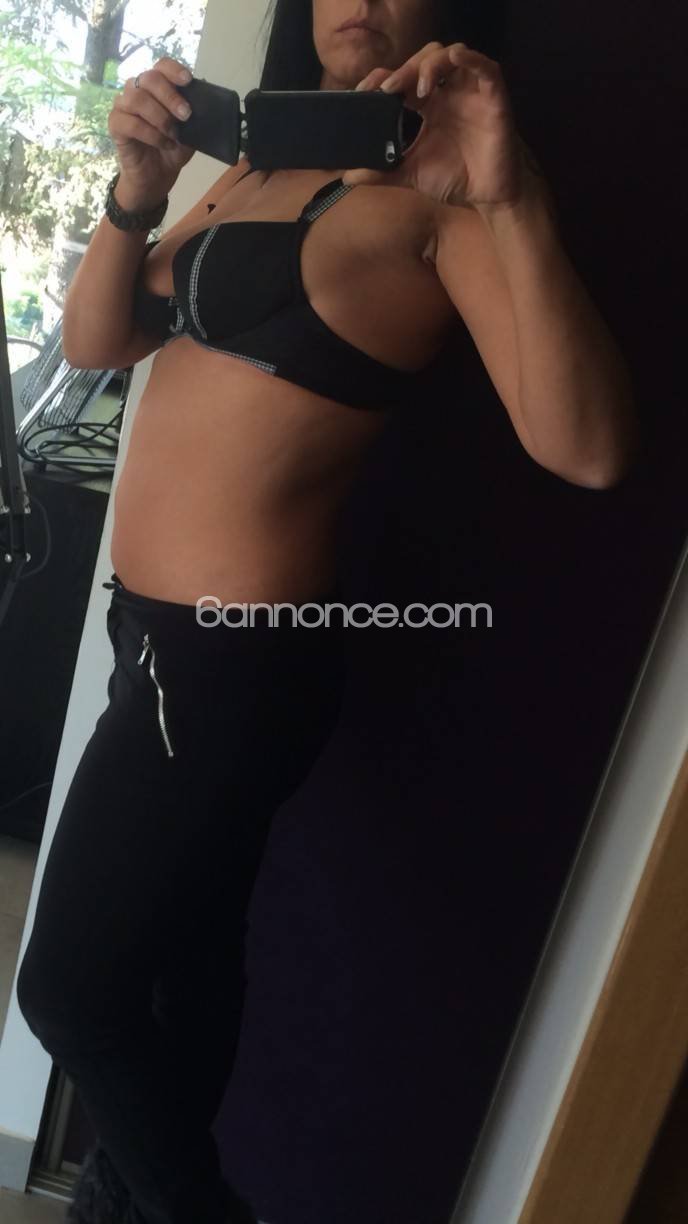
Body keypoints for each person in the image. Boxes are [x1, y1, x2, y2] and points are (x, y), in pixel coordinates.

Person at [15, 2, 639, 1222]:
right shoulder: (258, 155)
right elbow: (99, 341)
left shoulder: (447, 192)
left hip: (228, 667)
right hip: (152, 642)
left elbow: (591, 450)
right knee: (184, 967)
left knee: (72, 991)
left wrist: (510, 198)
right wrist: (136, 192)